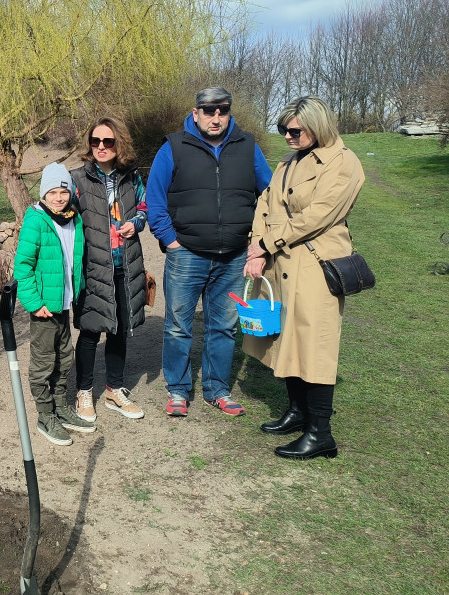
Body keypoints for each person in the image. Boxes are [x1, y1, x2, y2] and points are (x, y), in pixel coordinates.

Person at [243, 97, 364, 460]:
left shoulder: (343, 163)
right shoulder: (288, 161)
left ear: (319, 126)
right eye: (284, 130)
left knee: (315, 344)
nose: (288, 137)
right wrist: (255, 245)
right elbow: (265, 203)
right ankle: (297, 412)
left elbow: (318, 216)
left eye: (295, 130)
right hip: (279, 262)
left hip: (314, 264)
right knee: (286, 339)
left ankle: (320, 432)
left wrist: (266, 242)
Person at [146, 87, 272, 417]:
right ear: (196, 112)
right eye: (209, 110)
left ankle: (217, 389)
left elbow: (270, 197)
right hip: (187, 254)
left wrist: (257, 242)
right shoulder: (173, 147)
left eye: (223, 110)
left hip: (233, 257)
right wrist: (171, 241)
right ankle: (178, 390)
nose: (216, 117)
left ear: (229, 112)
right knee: (177, 325)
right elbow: (155, 199)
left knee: (225, 327)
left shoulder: (248, 147)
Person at [71, 116, 149, 421]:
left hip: (125, 264)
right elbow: (64, 215)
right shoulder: (77, 178)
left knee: (119, 329)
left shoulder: (132, 176)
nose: (101, 147)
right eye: (95, 141)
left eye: (108, 141)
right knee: (90, 330)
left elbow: (144, 206)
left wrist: (137, 223)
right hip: (92, 267)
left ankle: (115, 390)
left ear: (119, 144)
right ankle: (83, 392)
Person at [13, 162, 94, 446]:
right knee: (43, 362)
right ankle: (45, 414)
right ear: (44, 193)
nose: (59, 197)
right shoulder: (36, 220)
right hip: (45, 308)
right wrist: (34, 303)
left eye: (64, 191)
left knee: (65, 357)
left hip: (64, 303)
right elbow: (22, 266)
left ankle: (61, 406)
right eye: (53, 192)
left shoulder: (73, 218)